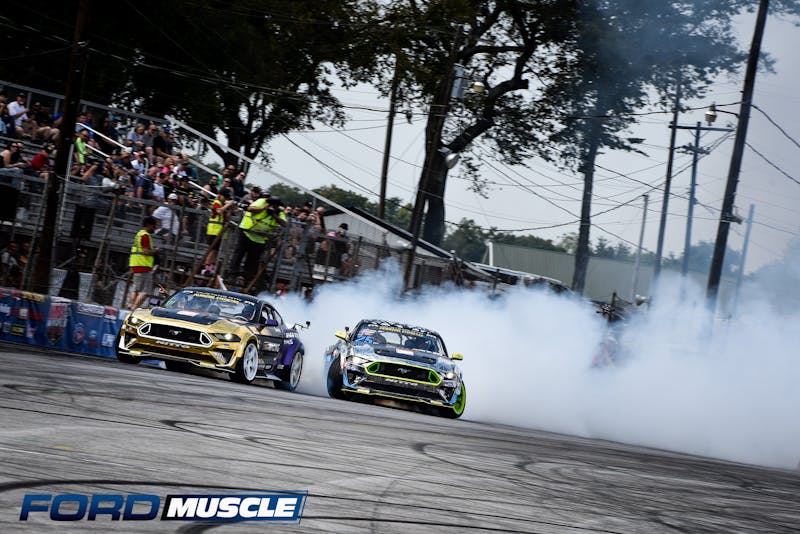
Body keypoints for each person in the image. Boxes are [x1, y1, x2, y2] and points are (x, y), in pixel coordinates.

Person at [228, 192, 286, 285]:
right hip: (247, 232)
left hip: (260, 238)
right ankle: (232, 275)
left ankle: (246, 279)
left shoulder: (279, 212)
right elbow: (250, 208)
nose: (272, 206)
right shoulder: (262, 202)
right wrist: (263, 208)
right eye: (271, 203)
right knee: (239, 254)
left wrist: (274, 215)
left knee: (253, 260)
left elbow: (284, 224)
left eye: (274, 205)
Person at [129, 216, 159, 311]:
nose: (155, 228)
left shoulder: (139, 234)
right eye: (154, 226)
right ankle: (134, 308)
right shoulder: (145, 235)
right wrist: (155, 251)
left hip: (136, 264)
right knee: (144, 291)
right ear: (149, 225)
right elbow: (146, 251)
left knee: (135, 289)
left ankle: (131, 305)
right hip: (143, 265)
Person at [203, 187, 235, 272]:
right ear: (220, 195)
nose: (225, 199)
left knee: (216, 251)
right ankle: (206, 268)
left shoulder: (222, 204)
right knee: (212, 251)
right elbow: (218, 211)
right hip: (213, 231)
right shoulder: (216, 202)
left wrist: (230, 209)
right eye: (225, 197)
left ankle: (211, 268)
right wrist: (228, 204)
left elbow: (226, 217)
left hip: (219, 232)